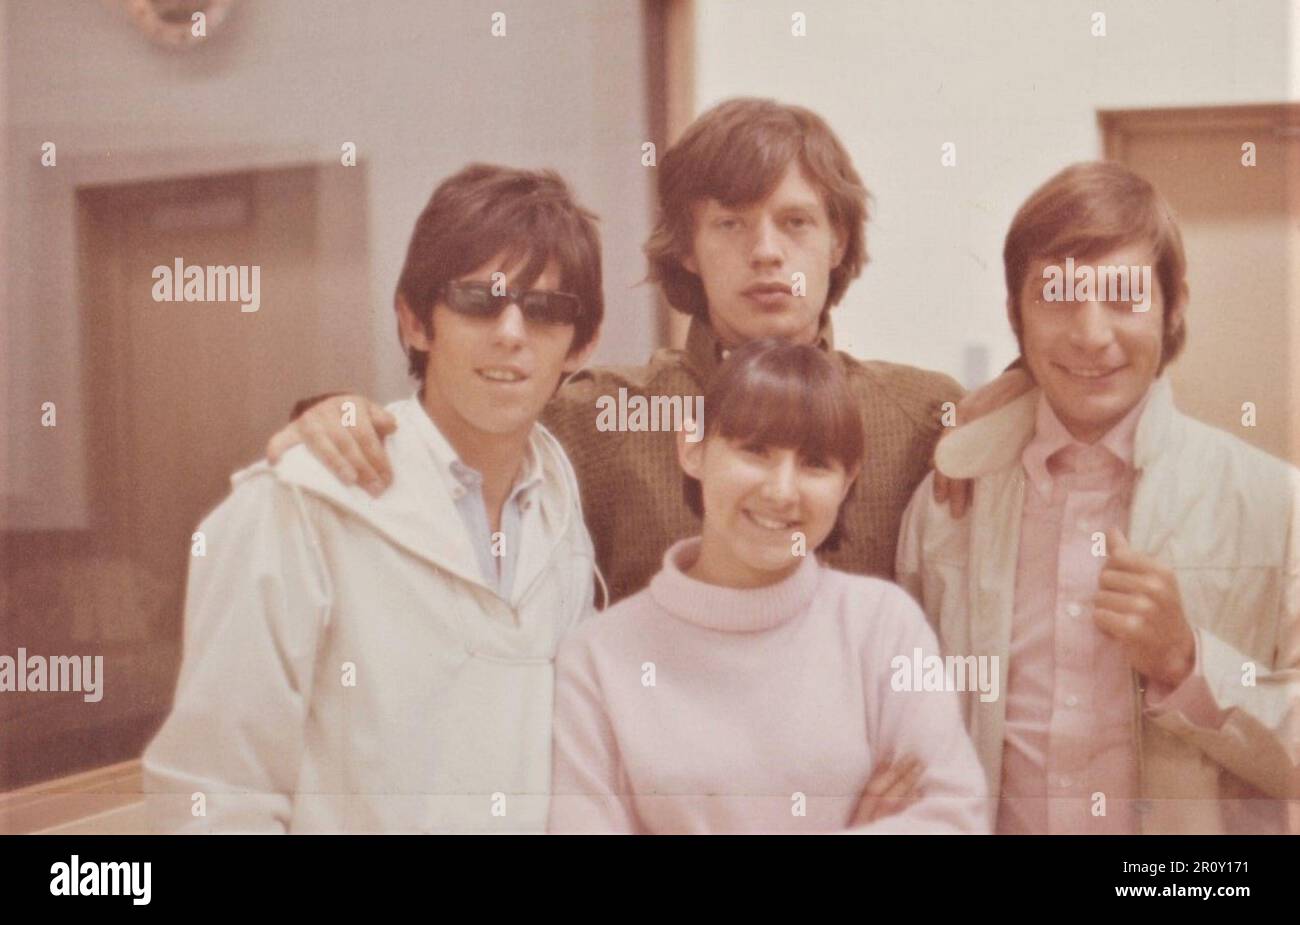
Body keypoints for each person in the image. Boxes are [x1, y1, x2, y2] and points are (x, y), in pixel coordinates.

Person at [267, 98, 1029, 605]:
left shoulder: (921, 413)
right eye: (731, 224)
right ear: (688, 249)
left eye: (795, 223)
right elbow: (457, 435)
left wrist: (1022, 382)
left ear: (837, 243)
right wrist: (331, 414)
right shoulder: (600, 418)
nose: (766, 252)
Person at [143, 164, 603, 833]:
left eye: (545, 310)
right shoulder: (296, 506)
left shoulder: (560, 514)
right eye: (480, 299)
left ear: (579, 345)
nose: (511, 331)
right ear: (415, 321)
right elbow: (213, 794)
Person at [896, 161, 1300, 834]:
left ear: (1174, 306)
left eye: (1123, 296)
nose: (1090, 332)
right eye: (1056, 295)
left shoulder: (1275, 505)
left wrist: (1189, 664)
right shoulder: (946, 506)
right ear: (1014, 314)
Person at [548, 339, 989, 834]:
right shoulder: (596, 659)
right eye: (754, 451)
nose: (781, 491)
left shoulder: (886, 628)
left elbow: (955, 818)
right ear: (691, 447)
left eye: (815, 463)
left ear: (847, 482)